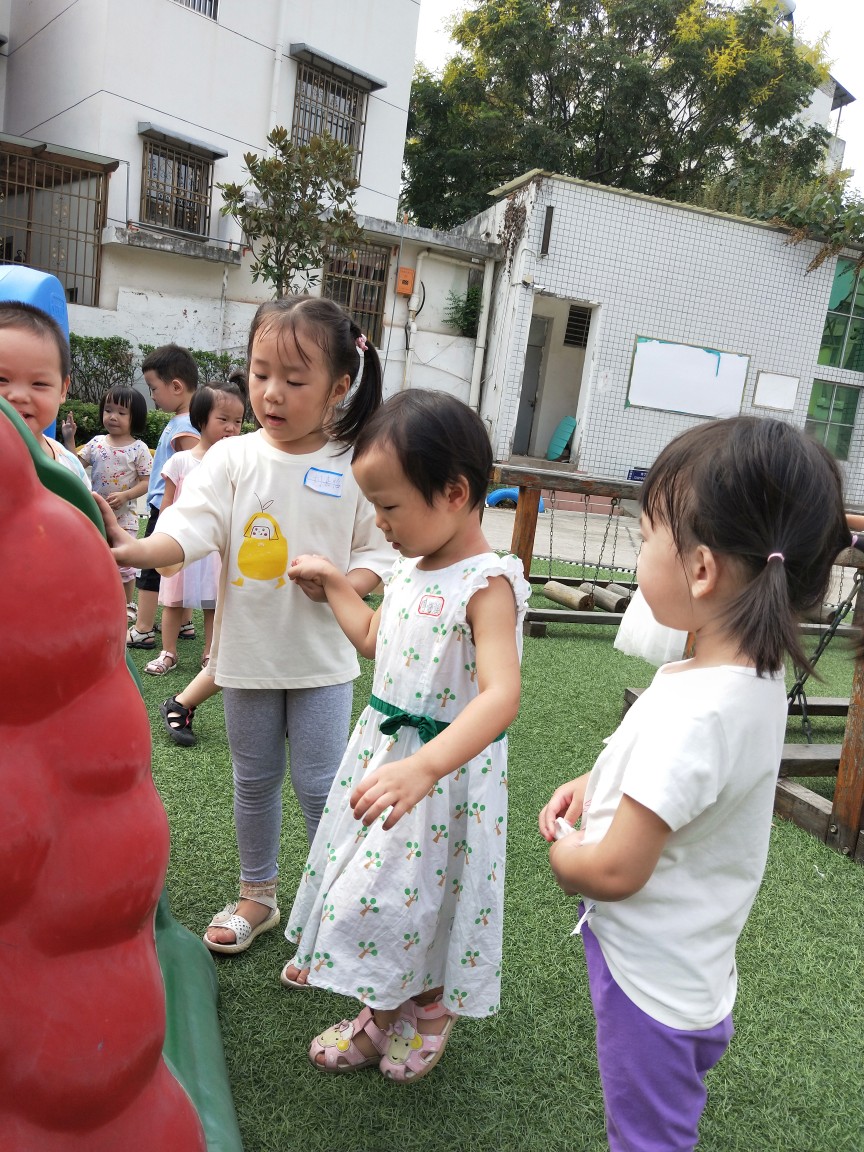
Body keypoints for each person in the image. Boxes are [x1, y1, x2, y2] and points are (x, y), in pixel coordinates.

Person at [538, 416, 850, 1152]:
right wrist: (598, 781)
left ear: (702, 570)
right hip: (694, 965)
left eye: (645, 537)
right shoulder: (750, 677)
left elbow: (614, 870)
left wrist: (566, 857)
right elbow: (688, 783)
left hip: (649, 986)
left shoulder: (698, 711)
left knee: (647, 1140)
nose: (638, 552)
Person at [97, 296, 392, 954]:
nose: (271, 393)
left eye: (294, 379)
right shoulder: (231, 459)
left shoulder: (356, 462)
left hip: (321, 660)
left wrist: (344, 584)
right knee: (253, 781)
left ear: (339, 387)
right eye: (261, 374)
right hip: (248, 655)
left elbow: (379, 551)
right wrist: (133, 548)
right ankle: (258, 895)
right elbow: (187, 529)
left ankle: (330, 907)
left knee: (320, 787)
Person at [282, 389, 529, 1082]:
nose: (380, 524)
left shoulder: (486, 583)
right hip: (385, 757)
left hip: (444, 779)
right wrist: (337, 584)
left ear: (454, 493)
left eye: (389, 507)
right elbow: (374, 637)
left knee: (427, 894)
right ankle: (381, 1001)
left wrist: (426, 767)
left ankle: (428, 1005)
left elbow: (502, 694)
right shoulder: (406, 569)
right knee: (378, 891)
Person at [144, 379, 245, 676]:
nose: (231, 428)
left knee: (215, 602)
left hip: (217, 547)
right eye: (223, 419)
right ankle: (168, 652)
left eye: (238, 421)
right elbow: (167, 504)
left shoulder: (236, 463)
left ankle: (210, 654)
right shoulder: (180, 461)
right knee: (173, 601)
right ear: (201, 420)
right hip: (182, 543)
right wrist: (164, 539)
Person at [126, 344, 199, 651]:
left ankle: (143, 629)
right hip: (175, 509)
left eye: (154, 388)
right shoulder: (187, 420)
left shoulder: (184, 426)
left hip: (166, 507)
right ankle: (184, 622)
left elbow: (194, 469)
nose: (153, 396)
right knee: (179, 564)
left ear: (177, 386)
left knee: (151, 567)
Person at [62, 385, 152, 621]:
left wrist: (126, 495)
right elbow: (74, 466)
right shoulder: (96, 443)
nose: (113, 416)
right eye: (109, 410)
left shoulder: (139, 449)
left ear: (135, 417)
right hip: (96, 515)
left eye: (121, 412)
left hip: (125, 518)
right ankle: (99, 600)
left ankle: (127, 604)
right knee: (96, 559)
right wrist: (70, 439)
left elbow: (147, 482)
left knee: (125, 563)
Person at [0, 301, 88, 486]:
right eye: (1, 379)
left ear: (62, 390)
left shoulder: (70, 469)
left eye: (39, 383)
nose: (18, 396)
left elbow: (83, 504)